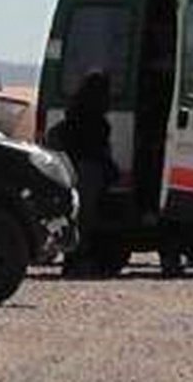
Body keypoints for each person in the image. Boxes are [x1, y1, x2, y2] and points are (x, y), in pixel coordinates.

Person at [47, 71, 119, 277]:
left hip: (70, 170)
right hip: (89, 171)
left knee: (75, 217)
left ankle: (72, 260)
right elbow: (100, 150)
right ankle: (80, 260)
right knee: (86, 219)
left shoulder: (73, 113)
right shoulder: (99, 122)